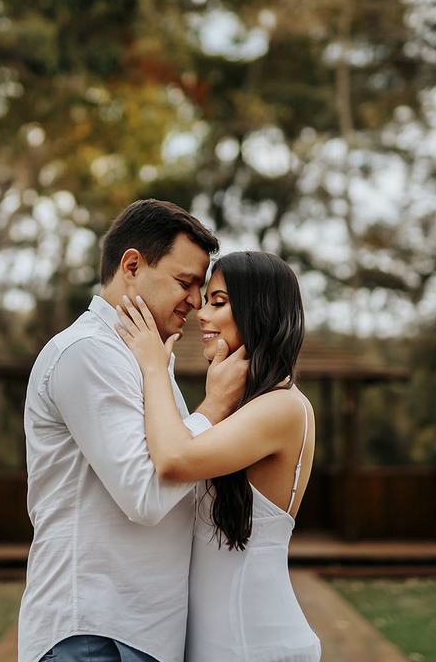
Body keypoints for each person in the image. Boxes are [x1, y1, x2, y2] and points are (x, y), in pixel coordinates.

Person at [17, 199, 248, 662]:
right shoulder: (87, 353)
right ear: (132, 266)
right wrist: (216, 406)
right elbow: (144, 493)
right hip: (94, 633)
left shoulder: (143, 360)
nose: (196, 301)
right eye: (185, 282)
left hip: (139, 629)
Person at [115, 250, 321, 662]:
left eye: (219, 302)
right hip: (217, 644)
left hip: (253, 642)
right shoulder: (242, 408)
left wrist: (156, 367)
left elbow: (173, 459)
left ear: (259, 310)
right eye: (206, 300)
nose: (201, 315)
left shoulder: (282, 407)